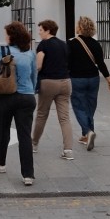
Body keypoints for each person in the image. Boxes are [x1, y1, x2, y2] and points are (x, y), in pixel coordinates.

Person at [0, 21, 38, 186]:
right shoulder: (30, 53)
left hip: (6, 96)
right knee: (25, 135)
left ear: (11, 36)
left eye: (6, 34)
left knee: (3, 129)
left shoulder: (3, 50)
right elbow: (33, 77)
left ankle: (0, 163)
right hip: (27, 97)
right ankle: (28, 174)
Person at [69, 16, 110, 152]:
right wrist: (109, 80)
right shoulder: (96, 44)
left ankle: (88, 132)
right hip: (93, 79)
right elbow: (101, 64)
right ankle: (87, 135)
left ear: (79, 27)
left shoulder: (72, 44)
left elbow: (67, 63)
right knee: (90, 106)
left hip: (77, 79)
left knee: (78, 106)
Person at [31, 19, 74, 160]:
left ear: (48, 30)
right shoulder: (63, 44)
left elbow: (38, 65)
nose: (39, 33)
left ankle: (34, 144)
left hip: (48, 82)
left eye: (41, 30)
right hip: (65, 82)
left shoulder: (43, 44)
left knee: (42, 114)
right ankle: (68, 150)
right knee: (64, 117)